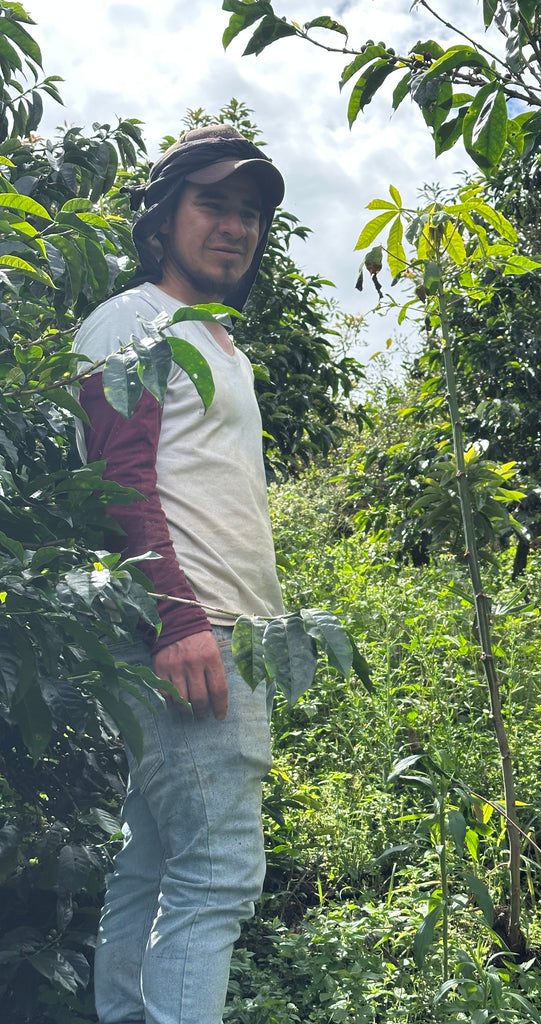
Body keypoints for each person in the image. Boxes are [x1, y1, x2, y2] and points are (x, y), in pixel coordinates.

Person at [73, 123, 286, 1024]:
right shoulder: (137, 320)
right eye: (214, 204)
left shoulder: (215, 339)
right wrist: (177, 617)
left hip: (208, 629)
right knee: (216, 877)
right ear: (163, 218)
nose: (235, 227)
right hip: (192, 632)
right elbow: (119, 474)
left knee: (154, 864)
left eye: (250, 213)